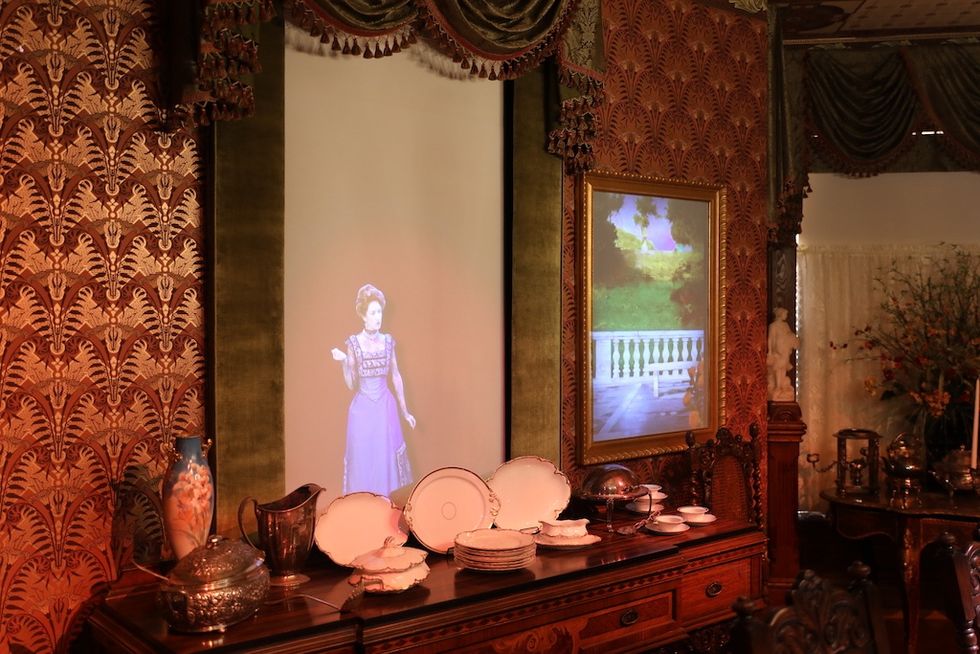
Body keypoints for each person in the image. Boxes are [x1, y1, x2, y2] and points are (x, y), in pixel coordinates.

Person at [331, 284, 415, 496]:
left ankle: (389, 507)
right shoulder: (353, 343)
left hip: (385, 408)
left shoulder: (388, 342)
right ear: (363, 315)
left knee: (386, 459)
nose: (378, 317)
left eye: (380, 312)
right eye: (373, 313)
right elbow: (351, 384)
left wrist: (405, 412)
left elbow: (396, 376)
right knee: (363, 461)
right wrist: (344, 362)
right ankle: (363, 509)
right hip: (362, 412)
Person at [767, 306, 800, 401]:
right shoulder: (773, 326)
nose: (786, 316)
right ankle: (778, 386)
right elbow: (770, 339)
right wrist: (770, 351)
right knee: (778, 367)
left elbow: (789, 335)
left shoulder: (785, 325)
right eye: (785, 314)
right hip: (777, 350)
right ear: (780, 314)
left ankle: (781, 385)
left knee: (783, 367)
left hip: (784, 349)